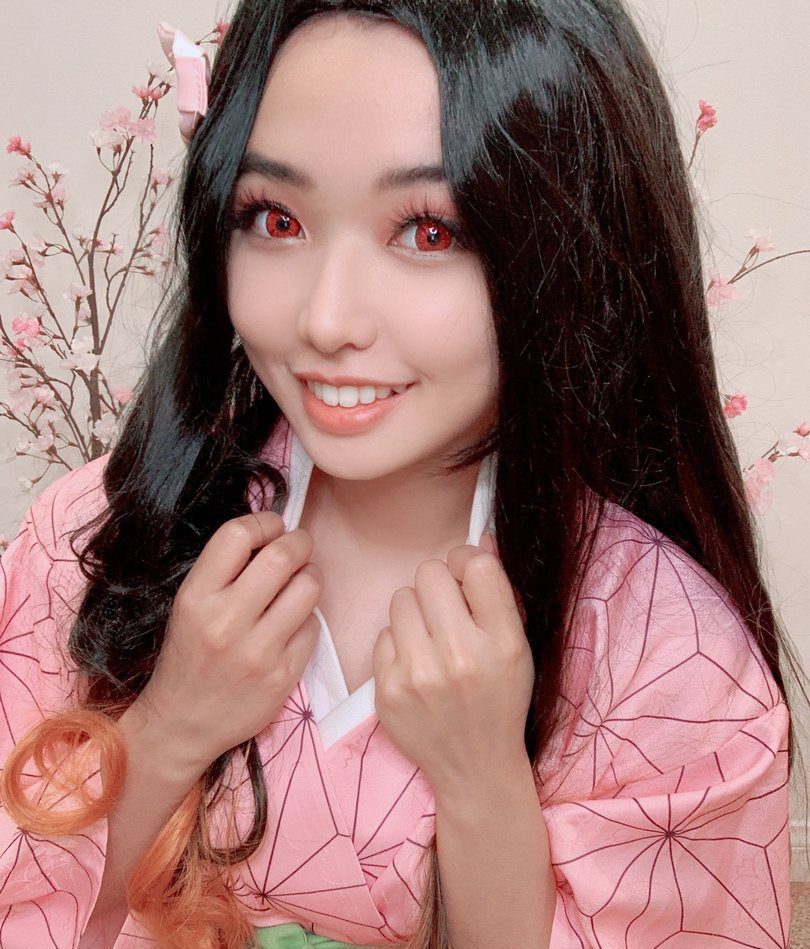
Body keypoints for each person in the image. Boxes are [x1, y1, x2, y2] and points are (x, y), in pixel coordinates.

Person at [0, 1, 805, 947]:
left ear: (574, 250)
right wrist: (171, 724)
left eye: (429, 231)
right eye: (276, 218)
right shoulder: (96, 531)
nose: (327, 319)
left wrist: (482, 783)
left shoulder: (675, 657)